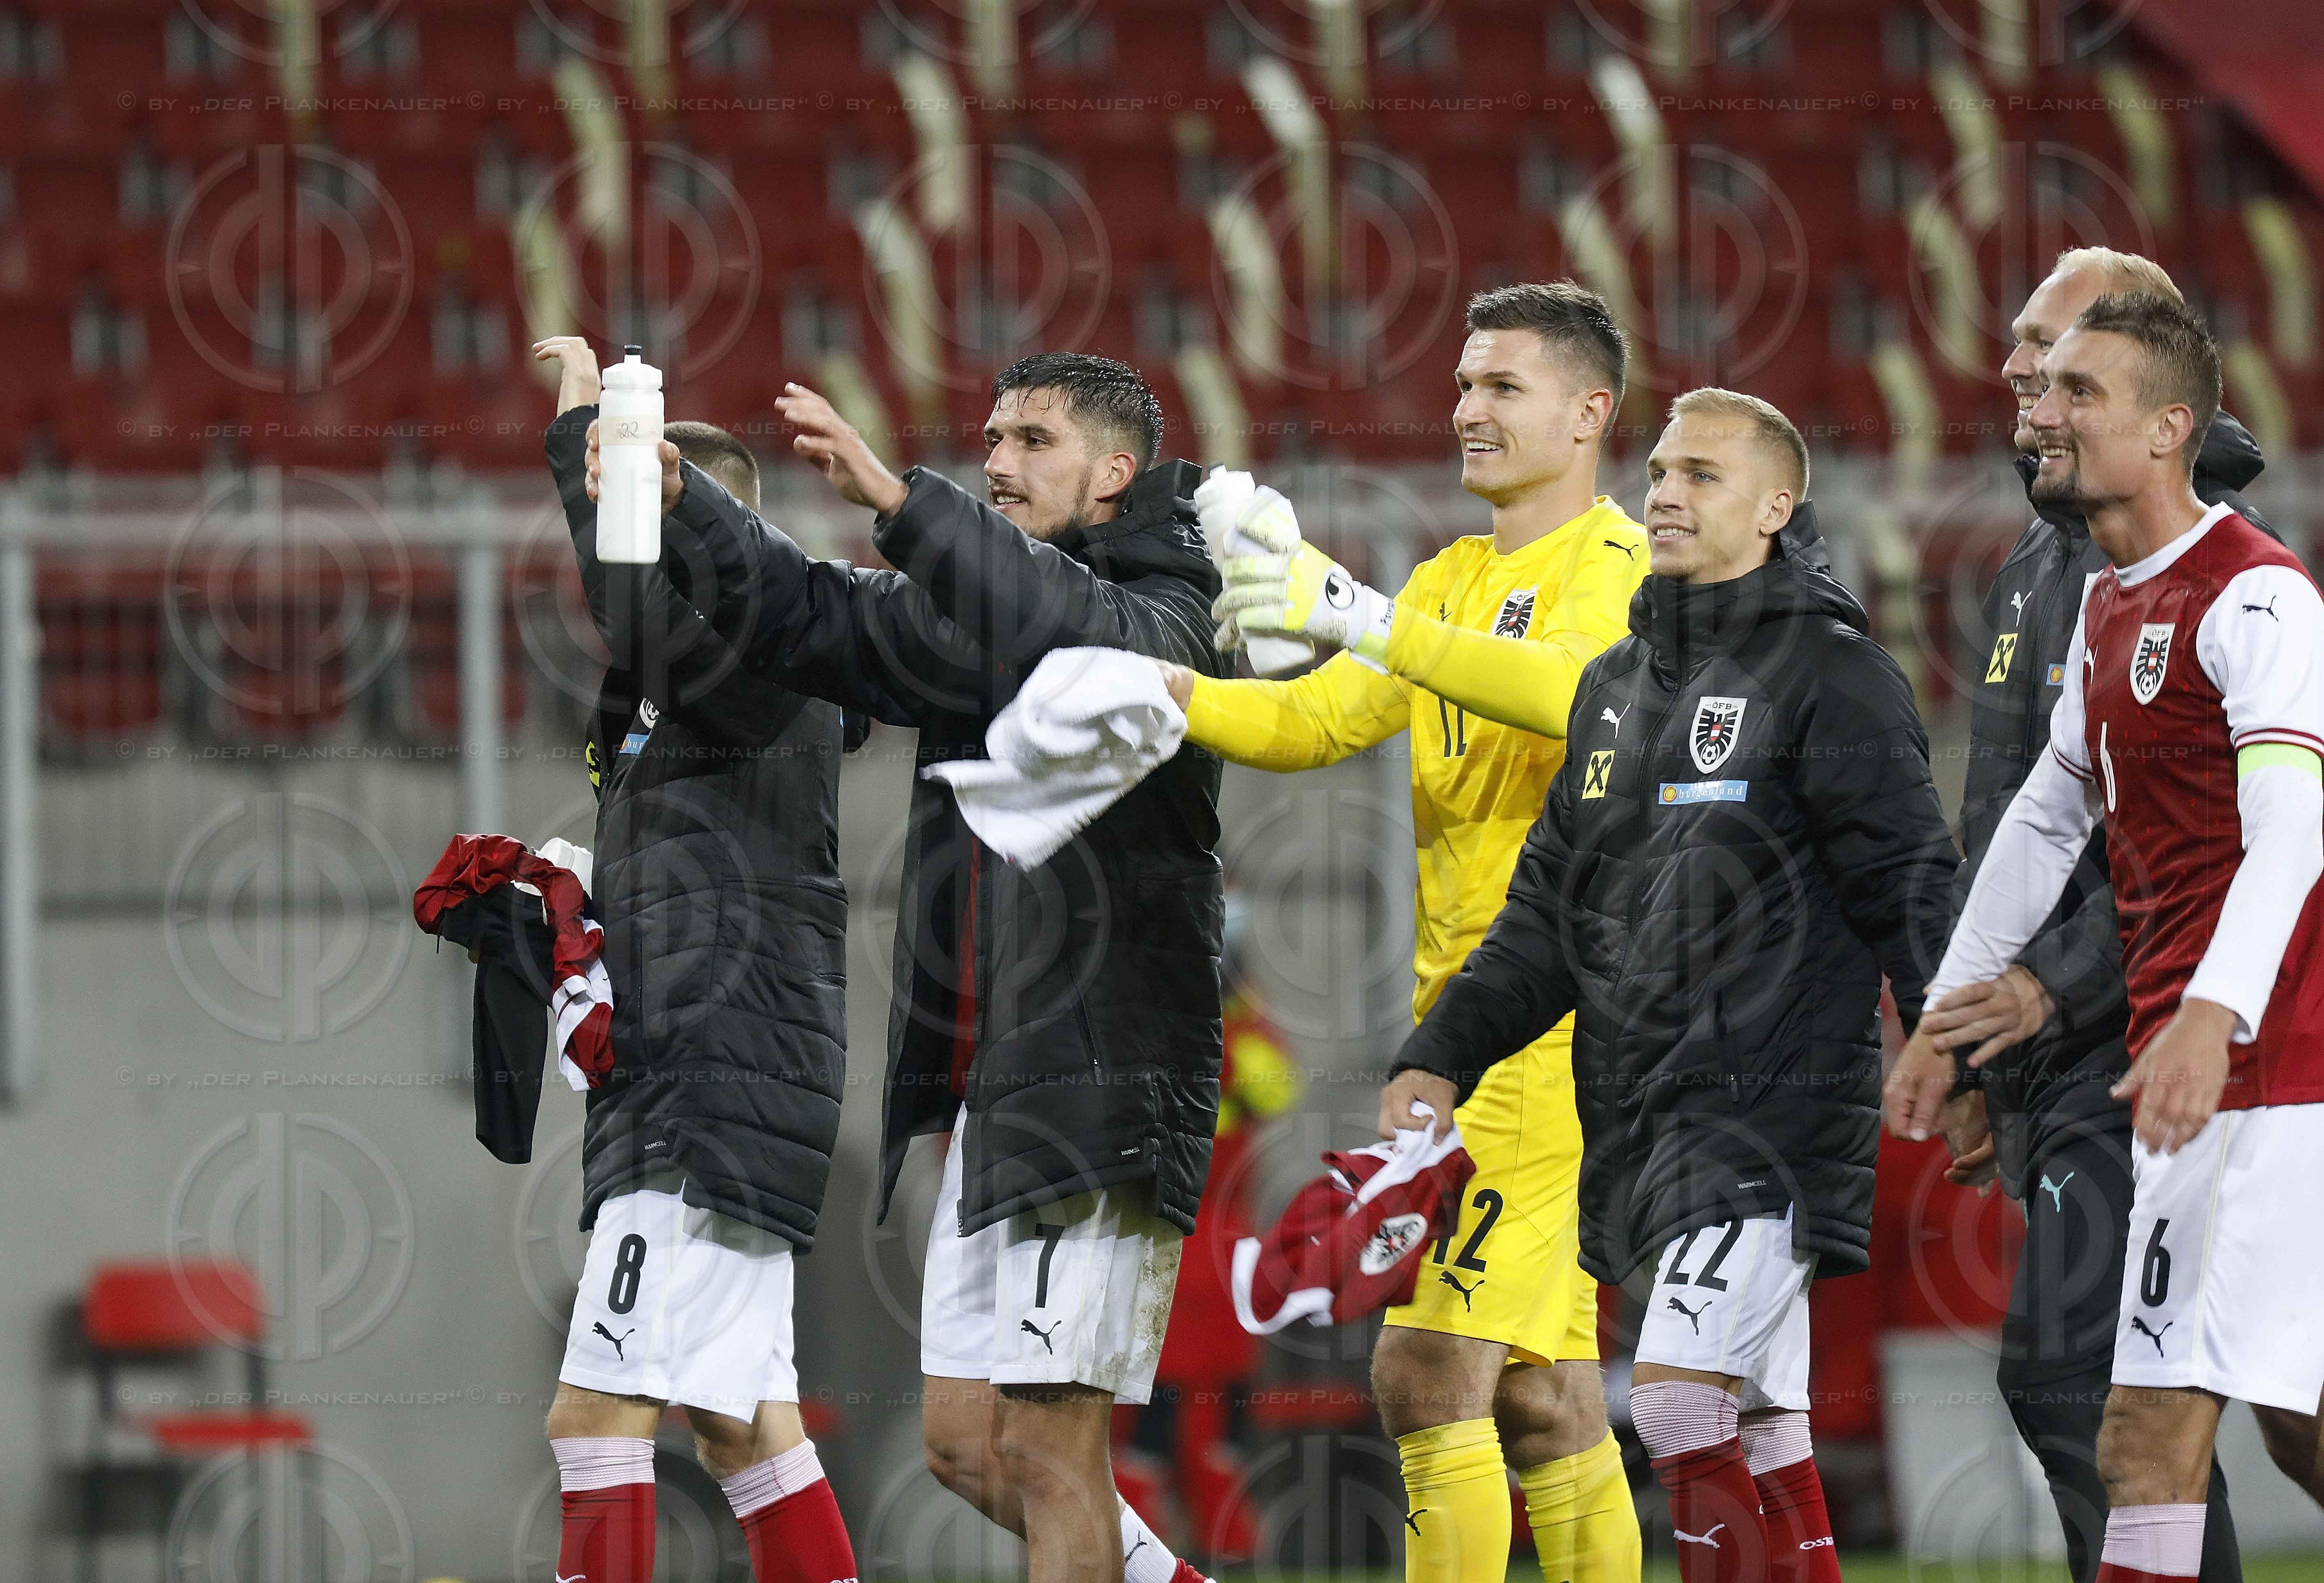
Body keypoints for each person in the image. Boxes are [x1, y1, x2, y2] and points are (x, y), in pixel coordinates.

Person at [581, 351, 1228, 1583]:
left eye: (1032, 441)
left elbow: (1077, 631)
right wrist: (687, 502)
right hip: (1001, 1086)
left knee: (1048, 1449)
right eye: (990, 437)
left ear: (1114, 473)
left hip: (1107, 1079)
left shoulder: (1176, 601)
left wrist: (901, 499)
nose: (996, 462)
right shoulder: (976, 612)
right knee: (967, 1445)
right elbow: (819, 616)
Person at [1382, 388, 1958, 1583]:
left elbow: (1910, 882)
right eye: (1658, 471)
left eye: (1701, 474)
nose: (1665, 493)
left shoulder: (1833, 674)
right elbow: (1545, 915)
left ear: (1775, 508)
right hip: (1643, 1113)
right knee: (1759, 1422)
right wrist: (1437, 1052)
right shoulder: (1613, 687)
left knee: (1679, 1404)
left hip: (1770, 1111)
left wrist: (1955, 1051)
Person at [1158, 282, 1651, 1583]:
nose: (1467, 409)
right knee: (1546, 1397)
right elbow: (1313, 721)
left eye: (1503, 387)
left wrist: (1373, 618)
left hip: (1561, 1039)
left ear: (1590, 412)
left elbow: (1579, 700)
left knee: (1426, 1371)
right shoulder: (1452, 578)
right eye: (1463, 383)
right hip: (1471, 1035)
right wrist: (1158, 694)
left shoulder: (1621, 565)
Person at [1886, 291, 2324, 1583]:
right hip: (2206, 1080)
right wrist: (1944, 1022)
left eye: (2084, 391)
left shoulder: (2260, 598)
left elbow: (2293, 834)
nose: (2046, 411)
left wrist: (2208, 1013)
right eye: (2046, 385)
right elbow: (2040, 821)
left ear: (2170, 430)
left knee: (2138, 1437)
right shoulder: (2107, 606)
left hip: (2274, 1082)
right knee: (2268, 1426)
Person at [532, 337, 858, 1583]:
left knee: (595, 1420)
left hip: (710, 1095)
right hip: (706, 1083)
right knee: (743, 1423)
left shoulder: (772, 652)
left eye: (627, 495)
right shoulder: (679, 694)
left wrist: (581, 441)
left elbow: (629, 609)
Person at [1120, 887, 1304, 1565]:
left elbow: (1274, 1086)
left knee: (1152, 1426)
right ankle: (1221, 1551)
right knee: (1204, 1424)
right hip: (1217, 1261)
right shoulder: (1239, 1034)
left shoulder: (1153, 1031)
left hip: (1166, 1257)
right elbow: (1276, 1086)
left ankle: (1145, 1556)